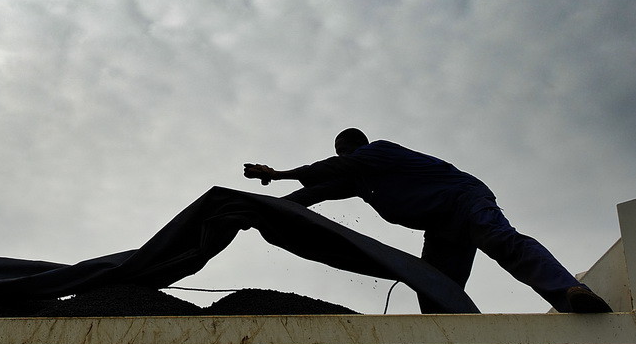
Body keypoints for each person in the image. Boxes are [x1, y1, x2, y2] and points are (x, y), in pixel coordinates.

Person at [243, 128, 610, 313]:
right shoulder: (358, 180)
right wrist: (259, 210)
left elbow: (324, 171)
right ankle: (451, 336)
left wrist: (275, 175)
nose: (343, 155)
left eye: (345, 150)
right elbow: (313, 193)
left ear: (353, 148)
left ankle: (571, 293)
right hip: (441, 226)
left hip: (464, 199)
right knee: (434, 282)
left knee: (501, 240)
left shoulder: (379, 151)